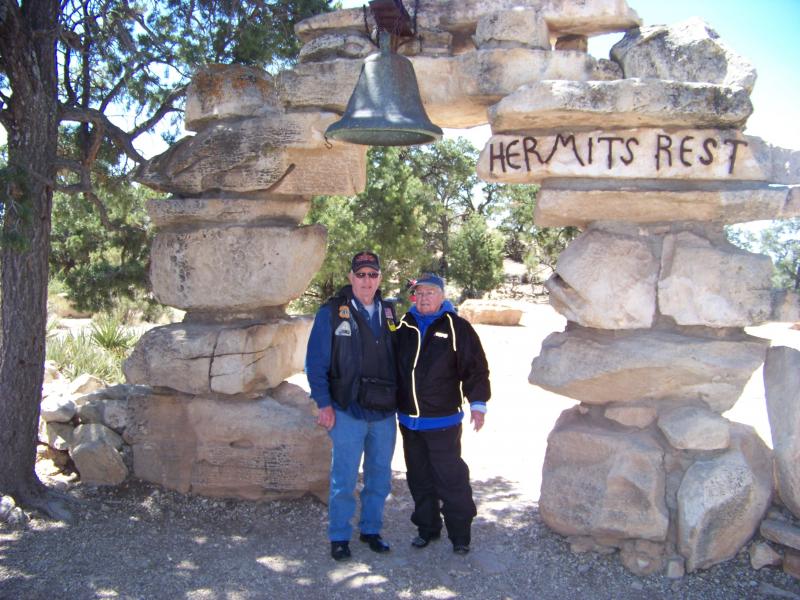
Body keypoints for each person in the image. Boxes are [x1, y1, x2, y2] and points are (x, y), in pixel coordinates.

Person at [305, 251, 399, 561]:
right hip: (347, 410)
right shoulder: (332, 313)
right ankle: (339, 536)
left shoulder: (390, 313)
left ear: (380, 279)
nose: (367, 280)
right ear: (351, 278)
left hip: (384, 413)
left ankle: (371, 529)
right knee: (344, 477)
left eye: (373, 274)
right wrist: (323, 403)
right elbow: (315, 363)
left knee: (379, 477)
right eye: (361, 274)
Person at [394, 273, 490, 555]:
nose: (423, 299)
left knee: (451, 478)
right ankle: (427, 529)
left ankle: (460, 535)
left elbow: (475, 368)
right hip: (409, 422)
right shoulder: (403, 326)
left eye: (430, 293)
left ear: (442, 296)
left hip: (443, 422)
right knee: (419, 477)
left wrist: (478, 403)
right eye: (419, 294)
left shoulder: (457, 327)